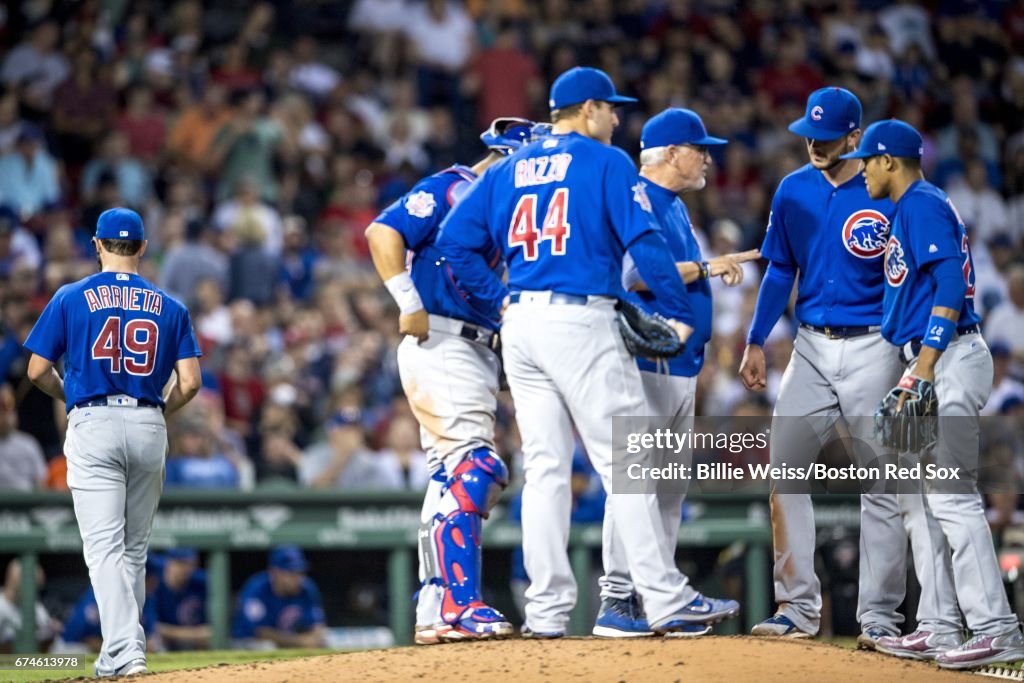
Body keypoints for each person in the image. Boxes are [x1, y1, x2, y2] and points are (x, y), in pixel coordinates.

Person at [436, 66, 738, 637]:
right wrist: (674, 310)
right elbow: (643, 243)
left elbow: (454, 243)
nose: (618, 118)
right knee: (627, 463)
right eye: (612, 108)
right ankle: (663, 597)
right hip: (580, 317)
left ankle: (547, 612)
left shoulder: (511, 167)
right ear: (590, 108)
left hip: (523, 322)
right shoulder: (605, 161)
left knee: (546, 469)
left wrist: (501, 299)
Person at [737, 87, 946, 647]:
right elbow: (779, 270)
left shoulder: (886, 191)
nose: (813, 143)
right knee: (785, 472)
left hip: (875, 344)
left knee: (883, 481)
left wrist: (918, 349)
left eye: (826, 137)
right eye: (808, 132)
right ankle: (797, 608)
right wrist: (756, 339)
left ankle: (878, 616)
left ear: (856, 137)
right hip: (809, 345)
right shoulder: (793, 188)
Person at [842, 119, 1024, 669]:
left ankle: (997, 628)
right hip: (930, 359)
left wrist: (922, 368)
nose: (863, 170)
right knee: (920, 501)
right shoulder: (912, 206)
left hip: (945, 358)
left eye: (868, 161)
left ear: (890, 162)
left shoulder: (920, 202)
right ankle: (941, 624)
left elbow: (948, 286)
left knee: (949, 496)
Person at [364, 116, 535, 643]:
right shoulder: (456, 184)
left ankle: (436, 608)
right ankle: (462, 603)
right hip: (440, 339)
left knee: (447, 478)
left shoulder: (504, 211)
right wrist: (407, 301)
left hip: (473, 347)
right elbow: (382, 230)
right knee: (476, 465)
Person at [595, 108, 759, 637]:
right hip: (648, 358)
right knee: (638, 481)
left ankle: (656, 598)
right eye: (699, 148)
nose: (708, 157)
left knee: (666, 489)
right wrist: (712, 266)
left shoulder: (674, 207)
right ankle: (620, 598)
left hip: (680, 362)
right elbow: (634, 275)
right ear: (670, 154)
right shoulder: (639, 198)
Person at [23, 208, 203, 677]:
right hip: (147, 420)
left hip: (93, 419)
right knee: (134, 551)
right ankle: (114, 654)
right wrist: (161, 409)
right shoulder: (171, 305)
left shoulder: (70, 296)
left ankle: (126, 650)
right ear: (143, 247)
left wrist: (73, 397)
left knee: (104, 548)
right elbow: (190, 382)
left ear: (97, 244)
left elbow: (36, 371)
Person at [231, 545, 327, 650]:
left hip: (289, 641)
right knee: (267, 647)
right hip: (248, 641)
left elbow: (317, 625)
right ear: (275, 572)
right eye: (290, 573)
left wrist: (314, 638)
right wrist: (299, 641)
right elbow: (260, 632)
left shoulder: (307, 588)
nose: (297, 578)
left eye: (300, 572)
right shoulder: (257, 588)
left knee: (325, 641)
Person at [151, 548, 209, 650]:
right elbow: (152, 628)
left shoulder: (201, 582)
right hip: (163, 643)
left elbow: (210, 632)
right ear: (168, 563)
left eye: (190, 564)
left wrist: (171, 632)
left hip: (193, 645)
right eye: (180, 563)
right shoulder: (154, 583)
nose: (186, 569)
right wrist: (192, 634)